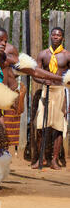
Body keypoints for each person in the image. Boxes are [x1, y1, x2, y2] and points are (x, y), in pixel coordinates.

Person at [0, 24, 69, 188]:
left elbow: (35, 71)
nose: (3, 44)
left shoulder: (5, 58)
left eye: (5, 41)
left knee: (2, 140)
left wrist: (61, 79)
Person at [32, 27, 69, 170]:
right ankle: (41, 159)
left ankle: (54, 160)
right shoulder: (43, 54)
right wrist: (42, 81)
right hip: (46, 93)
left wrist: (67, 99)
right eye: (53, 34)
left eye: (58, 35)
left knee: (58, 127)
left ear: (62, 38)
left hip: (60, 91)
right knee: (41, 125)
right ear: (50, 36)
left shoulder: (67, 55)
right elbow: (35, 73)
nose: (55, 37)